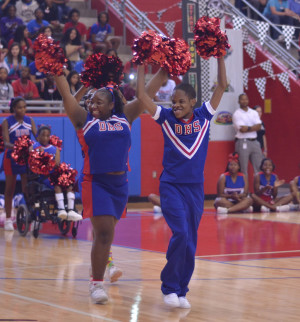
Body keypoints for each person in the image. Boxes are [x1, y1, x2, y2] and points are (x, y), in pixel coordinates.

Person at [53, 60, 167, 303]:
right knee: (104, 234)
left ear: (111, 104)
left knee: (107, 235)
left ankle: (99, 272)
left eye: (98, 102)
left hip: (120, 184)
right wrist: (55, 69)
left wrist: (164, 67)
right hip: (96, 183)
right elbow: (66, 96)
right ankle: (96, 285)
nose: (92, 105)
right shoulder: (84, 120)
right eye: (91, 101)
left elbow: (148, 93)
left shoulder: (126, 116)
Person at [135, 56, 227, 309]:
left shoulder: (204, 116)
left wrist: (219, 56)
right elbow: (142, 96)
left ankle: (182, 289)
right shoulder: (165, 118)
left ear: (193, 102)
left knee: (191, 240)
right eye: (173, 101)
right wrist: (142, 64)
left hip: (195, 189)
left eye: (181, 102)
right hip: (171, 186)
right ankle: (169, 286)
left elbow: (222, 86)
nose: (175, 105)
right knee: (181, 232)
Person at [31, 125, 82, 221]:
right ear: (38, 136)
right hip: (43, 176)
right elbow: (33, 163)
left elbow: (57, 164)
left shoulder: (55, 149)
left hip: (54, 174)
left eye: (47, 135)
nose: (45, 138)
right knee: (57, 185)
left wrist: (47, 158)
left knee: (69, 184)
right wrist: (39, 154)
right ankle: (61, 209)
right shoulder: (33, 147)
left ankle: (70, 210)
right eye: (43, 135)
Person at [1, 97, 37, 230]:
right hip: (11, 158)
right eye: (20, 107)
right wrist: (18, 147)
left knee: (27, 189)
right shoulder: (7, 122)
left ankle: (30, 217)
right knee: (9, 189)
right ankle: (9, 219)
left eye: (25, 107)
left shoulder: (29, 121)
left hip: (26, 159)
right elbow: (6, 143)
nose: (23, 109)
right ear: (14, 109)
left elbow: (37, 137)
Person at [232, 93, 263, 177]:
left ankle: (259, 189)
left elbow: (259, 126)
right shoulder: (236, 114)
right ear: (239, 101)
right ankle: (244, 190)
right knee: (243, 169)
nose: (244, 101)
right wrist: (253, 127)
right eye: (242, 99)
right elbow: (242, 130)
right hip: (243, 142)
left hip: (255, 142)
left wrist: (248, 128)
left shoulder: (254, 112)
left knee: (259, 167)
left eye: (246, 99)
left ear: (248, 100)